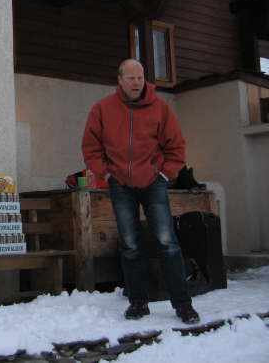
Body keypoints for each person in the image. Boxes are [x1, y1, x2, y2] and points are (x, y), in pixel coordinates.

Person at [81, 59, 200, 325]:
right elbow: (90, 147)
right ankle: (138, 303)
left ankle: (183, 305)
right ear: (120, 80)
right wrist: (107, 174)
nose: (136, 82)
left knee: (167, 243)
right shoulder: (102, 108)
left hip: (154, 183)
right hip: (120, 184)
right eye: (131, 78)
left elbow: (176, 145)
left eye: (140, 77)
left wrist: (165, 173)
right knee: (130, 245)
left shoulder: (161, 107)